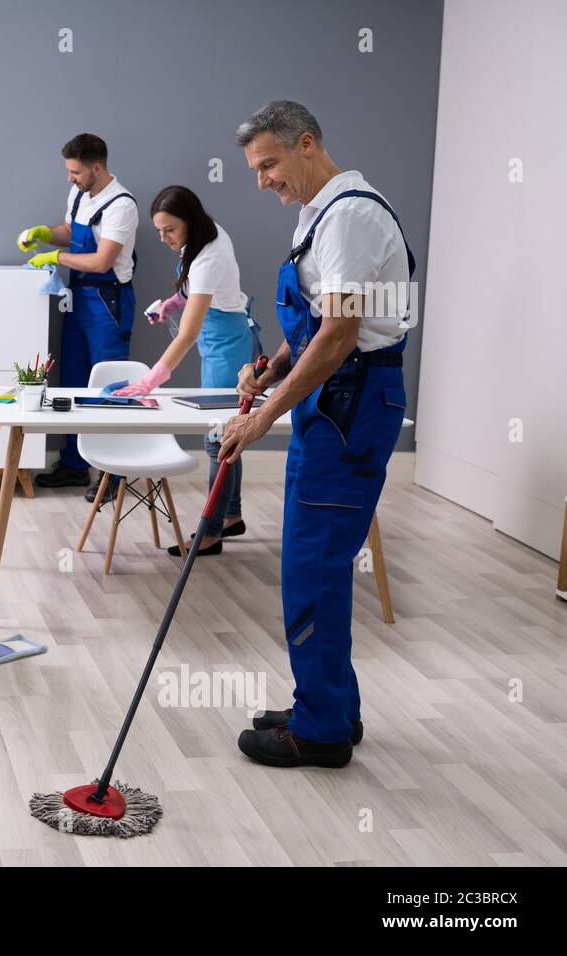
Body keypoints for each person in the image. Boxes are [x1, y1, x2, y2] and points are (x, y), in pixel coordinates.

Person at [222, 101, 414, 768]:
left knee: (314, 567)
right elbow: (314, 324)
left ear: (307, 144)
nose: (263, 179)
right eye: (255, 169)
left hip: (351, 403)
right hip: (333, 401)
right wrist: (273, 365)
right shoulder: (320, 214)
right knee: (314, 564)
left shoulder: (352, 216)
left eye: (270, 164)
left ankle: (322, 732)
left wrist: (263, 415)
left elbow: (339, 335)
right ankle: (329, 704)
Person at [117, 185, 262, 554]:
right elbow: (198, 290)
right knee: (228, 435)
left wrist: (149, 381)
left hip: (229, 348)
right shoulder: (203, 234)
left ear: (190, 222)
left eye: (170, 231)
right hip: (219, 339)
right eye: (159, 231)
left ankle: (210, 533)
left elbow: (188, 333)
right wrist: (172, 303)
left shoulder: (208, 256)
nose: (164, 239)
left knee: (219, 441)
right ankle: (231, 516)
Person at [16, 133, 138, 498]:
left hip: (108, 301)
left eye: (75, 171)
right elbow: (70, 232)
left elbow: (102, 259)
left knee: (109, 387)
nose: (70, 178)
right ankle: (73, 464)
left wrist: (55, 258)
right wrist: (45, 235)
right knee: (72, 379)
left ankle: (113, 473)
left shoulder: (121, 205)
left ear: (96, 167)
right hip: (79, 298)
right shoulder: (80, 194)